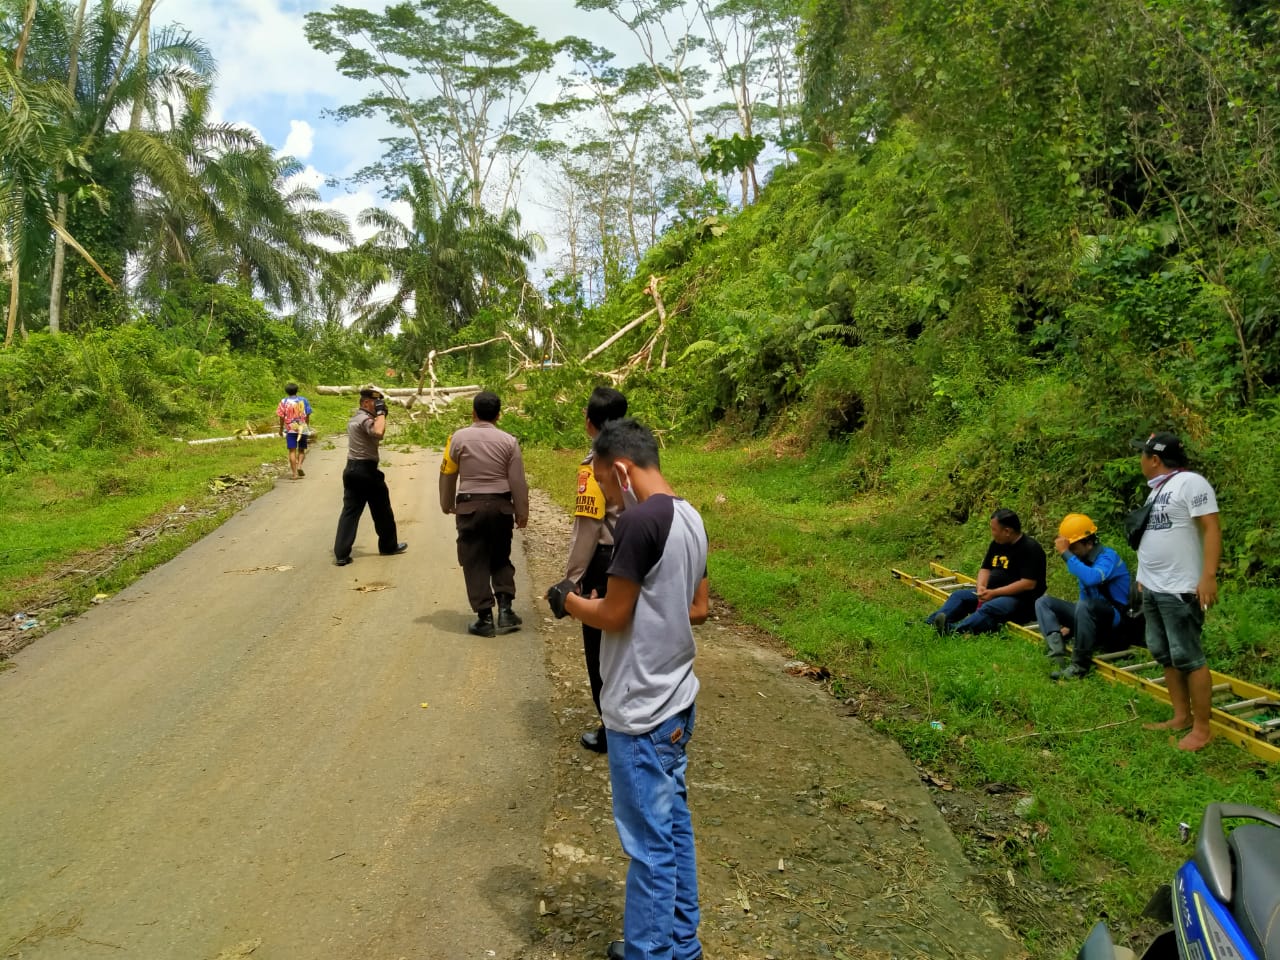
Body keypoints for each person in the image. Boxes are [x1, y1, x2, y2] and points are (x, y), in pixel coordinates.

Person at [545, 418, 709, 960]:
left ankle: (648, 952)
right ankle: (681, 944)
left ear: (620, 468)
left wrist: (566, 599)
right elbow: (697, 608)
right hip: (677, 699)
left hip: (640, 709)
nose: (608, 497)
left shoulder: (640, 521)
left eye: (606, 485)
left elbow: (613, 615)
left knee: (648, 844)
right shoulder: (691, 516)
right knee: (673, 828)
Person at [1132, 431, 1221, 752]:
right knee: (1162, 650)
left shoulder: (1191, 483)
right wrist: (1143, 575)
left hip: (1180, 587)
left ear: (1154, 460)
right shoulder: (1156, 491)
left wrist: (1208, 575)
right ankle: (1181, 716)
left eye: (1142, 454)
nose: (1139, 459)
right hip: (1153, 586)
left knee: (1188, 655)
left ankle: (1202, 728)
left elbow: (1211, 527)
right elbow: (1156, 536)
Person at [562, 386, 628, 754]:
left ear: (590, 422)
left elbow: (588, 527)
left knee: (600, 649)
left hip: (606, 562)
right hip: (641, 555)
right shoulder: (642, 457)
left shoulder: (594, 467)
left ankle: (610, 726)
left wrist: (570, 581)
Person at [439, 390, 530, 637]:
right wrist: (522, 512)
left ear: (473, 413)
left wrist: (446, 503)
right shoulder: (509, 441)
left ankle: (484, 618)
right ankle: (507, 611)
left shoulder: (457, 439)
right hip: (501, 507)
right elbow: (518, 481)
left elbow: (448, 473)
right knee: (500, 555)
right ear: (498, 415)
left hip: (470, 507)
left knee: (474, 559)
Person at [1035, 513, 1131, 679]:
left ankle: (1079, 666)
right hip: (1089, 615)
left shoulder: (1109, 557)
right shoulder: (1084, 561)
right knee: (1044, 602)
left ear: (1088, 542)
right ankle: (1056, 653)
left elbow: (1092, 578)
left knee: (1084, 606)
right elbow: (1084, 595)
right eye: (1069, 549)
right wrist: (1072, 626)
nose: (1071, 552)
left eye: (1073, 547)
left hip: (1114, 620)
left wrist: (1065, 553)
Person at [925, 508, 1047, 635]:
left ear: (1007, 531)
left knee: (992, 607)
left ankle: (955, 631)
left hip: (1022, 602)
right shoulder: (997, 544)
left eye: (994, 529)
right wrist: (981, 587)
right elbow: (985, 568)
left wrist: (994, 593)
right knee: (959, 596)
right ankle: (931, 623)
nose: (992, 533)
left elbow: (1028, 583)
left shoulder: (1030, 549)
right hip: (992, 593)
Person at [332, 386, 408, 566]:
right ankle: (389, 546)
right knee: (382, 510)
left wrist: (381, 415)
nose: (378, 406)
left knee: (350, 512)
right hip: (365, 470)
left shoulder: (355, 418)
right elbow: (378, 433)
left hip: (352, 469)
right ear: (366, 402)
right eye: (376, 403)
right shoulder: (365, 419)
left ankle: (341, 554)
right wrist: (381, 414)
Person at [276, 382, 312, 480]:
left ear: (286, 391)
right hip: (302, 427)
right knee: (301, 449)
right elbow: (308, 414)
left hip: (290, 428)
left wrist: (280, 429)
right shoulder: (303, 400)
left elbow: (281, 416)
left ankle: (295, 474)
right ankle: (300, 465)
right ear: (297, 390)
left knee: (292, 451)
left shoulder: (283, 401)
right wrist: (307, 426)